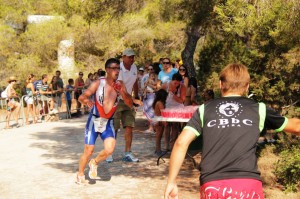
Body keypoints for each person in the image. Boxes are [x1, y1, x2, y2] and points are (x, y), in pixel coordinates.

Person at [164, 63, 300, 199]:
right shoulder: (259, 109)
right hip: (248, 185)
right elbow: (296, 126)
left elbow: (181, 143)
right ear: (247, 86)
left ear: (220, 84)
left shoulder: (206, 109)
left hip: (213, 185)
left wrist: (171, 182)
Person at [76, 58, 133, 185]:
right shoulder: (98, 83)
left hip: (108, 122)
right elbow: (82, 97)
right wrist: (87, 101)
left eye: (118, 68)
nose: (116, 71)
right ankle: (80, 173)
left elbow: (129, 103)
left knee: (110, 149)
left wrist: (122, 92)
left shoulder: (120, 85)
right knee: (89, 150)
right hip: (95, 120)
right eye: (113, 68)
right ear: (107, 70)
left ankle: (94, 162)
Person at [110, 48, 142, 163]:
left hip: (128, 100)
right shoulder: (118, 69)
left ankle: (128, 153)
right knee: (115, 127)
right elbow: (121, 88)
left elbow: (135, 82)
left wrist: (137, 96)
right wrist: (133, 100)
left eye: (133, 56)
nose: (132, 59)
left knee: (129, 126)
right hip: (116, 100)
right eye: (129, 57)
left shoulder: (134, 67)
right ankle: (109, 152)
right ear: (123, 57)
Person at [152, 89, 168, 156]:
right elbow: (163, 112)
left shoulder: (157, 102)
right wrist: (164, 122)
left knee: (159, 136)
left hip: (157, 119)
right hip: (159, 120)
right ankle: (158, 150)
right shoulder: (160, 103)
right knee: (159, 136)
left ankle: (158, 150)